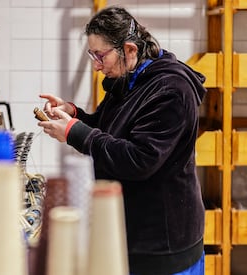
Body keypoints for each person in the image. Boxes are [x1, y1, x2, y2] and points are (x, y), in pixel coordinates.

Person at [37, 6, 206, 275]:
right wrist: (73, 114)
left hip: (164, 246)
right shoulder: (129, 81)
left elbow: (139, 159)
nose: (96, 65)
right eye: (92, 55)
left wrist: (74, 132)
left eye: (100, 55)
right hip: (134, 233)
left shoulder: (171, 90)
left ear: (129, 50)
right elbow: (107, 129)